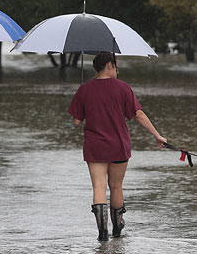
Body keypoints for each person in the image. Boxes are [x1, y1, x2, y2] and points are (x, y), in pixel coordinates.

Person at [68, 51, 167, 241]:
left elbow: (76, 121)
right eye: (117, 66)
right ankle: (117, 228)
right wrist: (157, 135)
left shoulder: (84, 89)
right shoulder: (123, 88)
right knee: (116, 187)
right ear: (110, 65)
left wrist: (83, 101)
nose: (118, 70)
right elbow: (138, 115)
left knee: (98, 187)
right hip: (119, 145)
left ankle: (102, 233)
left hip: (95, 146)